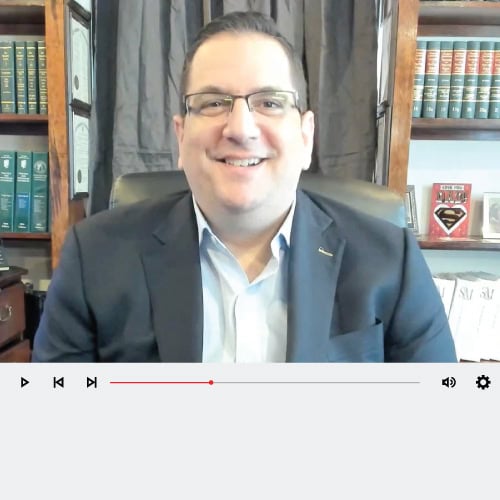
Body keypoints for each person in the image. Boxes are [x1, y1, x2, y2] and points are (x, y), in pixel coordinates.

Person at [32, 11, 456, 362]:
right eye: (213, 102)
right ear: (180, 137)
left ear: (306, 137)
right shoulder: (95, 258)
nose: (240, 128)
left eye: (270, 102)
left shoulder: (391, 263)